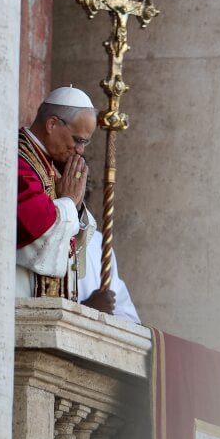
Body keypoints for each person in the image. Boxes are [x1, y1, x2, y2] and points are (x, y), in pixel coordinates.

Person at [16, 86, 107, 303]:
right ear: (52, 124)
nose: (80, 150)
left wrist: (76, 205)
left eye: (85, 142)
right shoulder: (18, 160)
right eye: (78, 140)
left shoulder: (48, 164)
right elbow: (33, 226)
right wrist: (69, 202)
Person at [78, 171, 142, 324]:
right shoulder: (38, 236)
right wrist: (85, 311)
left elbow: (129, 319)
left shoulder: (99, 243)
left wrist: (106, 314)